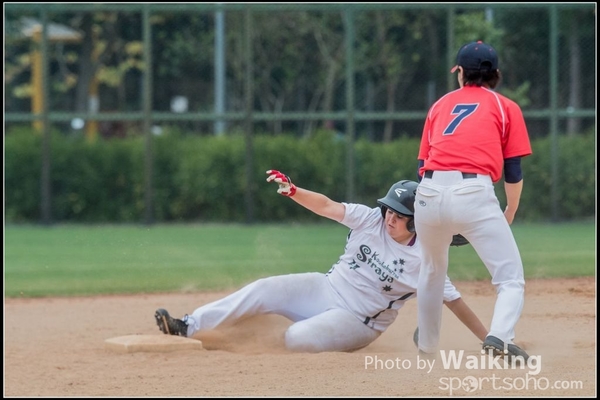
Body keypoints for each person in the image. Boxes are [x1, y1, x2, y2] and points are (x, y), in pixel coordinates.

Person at [154, 170, 488, 353]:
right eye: (389, 210)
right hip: (325, 288)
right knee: (264, 289)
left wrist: (490, 338)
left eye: (399, 216)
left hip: (358, 321)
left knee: (296, 339)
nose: (389, 217)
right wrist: (293, 190)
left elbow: (454, 302)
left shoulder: (426, 258)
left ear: (416, 222)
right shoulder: (371, 219)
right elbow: (327, 206)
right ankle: (187, 325)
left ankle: (242, 341)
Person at [414, 40, 532, 362]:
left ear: (461, 73)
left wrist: (438, 216)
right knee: (509, 278)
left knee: (431, 271)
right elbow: (513, 170)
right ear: (496, 74)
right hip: (473, 193)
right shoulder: (505, 107)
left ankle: (427, 348)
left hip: (428, 192)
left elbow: (422, 165)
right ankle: (499, 336)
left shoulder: (439, 105)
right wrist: (510, 209)